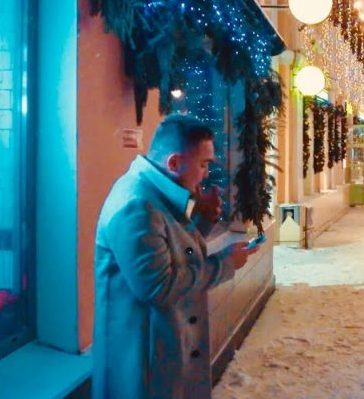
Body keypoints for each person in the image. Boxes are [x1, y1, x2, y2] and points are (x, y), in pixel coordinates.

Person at [93, 114, 258, 399]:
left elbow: (174, 250)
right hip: (143, 364)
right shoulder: (137, 206)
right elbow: (159, 287)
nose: (206, 173)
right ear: (173, 163)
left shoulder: (158, 195)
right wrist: (224, 265)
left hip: (163, 352)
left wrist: (203, 220)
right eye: (203, 164)